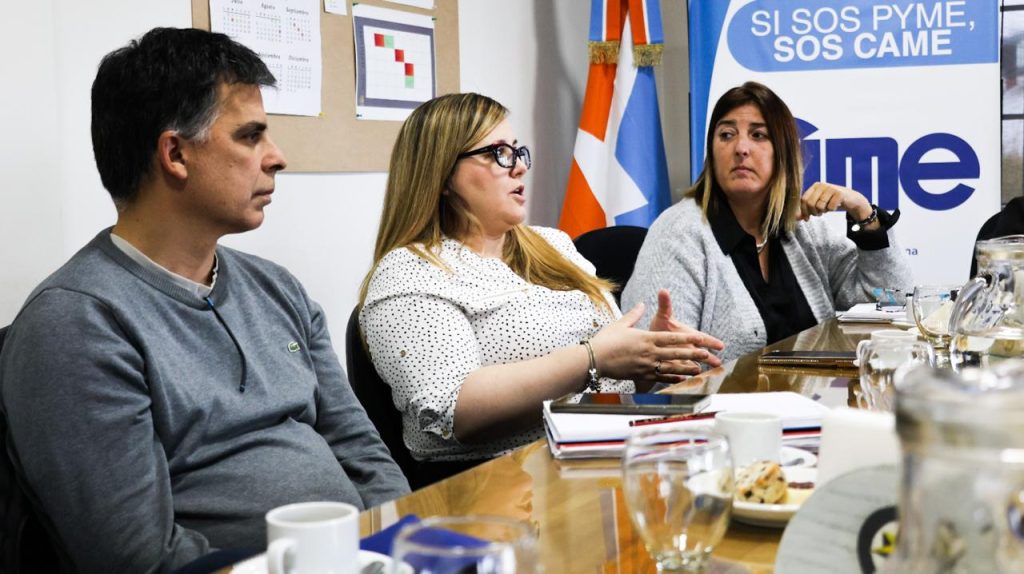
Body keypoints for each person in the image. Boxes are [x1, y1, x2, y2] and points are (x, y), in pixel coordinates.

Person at [0, 27, 409, 573]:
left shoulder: (277, 288)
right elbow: (137, 559)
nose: (277, 158)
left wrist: (401, 545)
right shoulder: (75, 324)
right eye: (250, 136)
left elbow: (362, 452)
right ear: (175, 154)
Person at [358, 93, 724, 464]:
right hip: (504, 479)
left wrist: (647, 357)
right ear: (442, 175)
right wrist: (592, 358)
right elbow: (454, 412)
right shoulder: (409, 272)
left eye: (518, 152)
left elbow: (612, 381)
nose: (519, 167)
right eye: (498, 153)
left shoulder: (553, 244)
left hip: (607, 449)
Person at [622, 81, 913, 363]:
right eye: (726, 135)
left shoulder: (803, 229)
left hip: (808, 395)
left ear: (783, 152)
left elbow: (891, 299)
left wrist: (864, 212)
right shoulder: (678, 234)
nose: (741, 148)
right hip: (720, 398)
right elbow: (658, 363)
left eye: (758, 135)